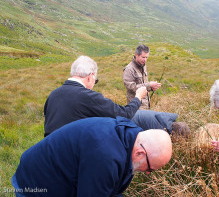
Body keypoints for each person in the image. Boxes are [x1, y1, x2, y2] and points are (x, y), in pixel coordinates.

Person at [12, 117, 172, 197]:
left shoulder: (131, 135)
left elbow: (111, 188)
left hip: (54, 174)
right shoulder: (105, 158)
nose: (148, 173)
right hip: (35, 184)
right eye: (150, 168)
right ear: (140, 153)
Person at [44, 56, 147, 137]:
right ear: (90, 76)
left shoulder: (53, 95)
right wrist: (138, 97)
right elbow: (124, 114)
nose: (93, 85)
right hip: (70, 155)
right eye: (95, 81)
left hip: (47, 153)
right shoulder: (88, 96)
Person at [123, 44, 161, 110]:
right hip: (135, 108)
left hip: (146, 106)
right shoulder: (129, 69)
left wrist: (151, 87)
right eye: (143, 57)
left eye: (146, 57)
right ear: (136, 55)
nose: (145, 60)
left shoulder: (143, 66)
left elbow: (143, 84)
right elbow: (132, 87)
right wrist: (149, 85)